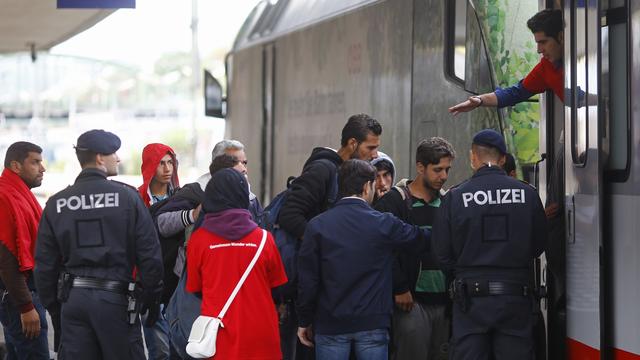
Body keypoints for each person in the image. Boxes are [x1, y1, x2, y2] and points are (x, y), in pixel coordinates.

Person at [34, 129, 164, 360]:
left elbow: (44, 266)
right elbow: (149, 254)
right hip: (116, 302)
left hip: (73, 302)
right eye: (114, 153)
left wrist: (56, 308)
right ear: (99, 158)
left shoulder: (56, 203)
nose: (118, 158)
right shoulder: (127, 198)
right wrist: (152, 297)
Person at [296, 159, 429, 360]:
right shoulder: (383, 223)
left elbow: (308, 281)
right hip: (372, 323)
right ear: (367, 186)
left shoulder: (317, 226)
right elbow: (421, 238)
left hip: (330, 324)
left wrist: (304, 320)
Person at [432, 129, 547, 359]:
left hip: (470, 303)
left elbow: (441, 254)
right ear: (503, 159)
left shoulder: (455, 197)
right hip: (515, 300)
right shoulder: (527, 194)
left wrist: (463, 274)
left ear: (473, 158)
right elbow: (538, 246)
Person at [278, 113, 382, 360]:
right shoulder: (323, 170)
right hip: (317, 286)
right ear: (353, 144)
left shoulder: (344, 171)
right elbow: (289, 215)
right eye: (371, 147)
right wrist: (323, 242)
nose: (376, 154)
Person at [186, 168, 287, 360]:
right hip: (262, 333)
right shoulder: (265, 239)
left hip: (219, 334)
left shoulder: (198, 240)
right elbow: (278, 288)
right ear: (242, 196)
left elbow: (195, 288)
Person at [374, 137, 455, 360]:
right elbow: (382, 249)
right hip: (410, 302)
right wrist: (399, 287)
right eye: (437, 170)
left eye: (447, 169)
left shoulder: (450, 202)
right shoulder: (395, 202)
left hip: (445, 302)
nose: (444, 176)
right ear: (420, 167)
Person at [449, 9, 563, 115]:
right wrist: (480, 100)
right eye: (537, 43)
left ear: (561, 37)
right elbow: (516, 92)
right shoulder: (547, 67)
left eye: (543, 42)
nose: (539, 50)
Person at [0, 141, 48, 359]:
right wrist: (26, 306)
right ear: (16, 166)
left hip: (21, 294)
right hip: (18, 295)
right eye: (35, 162)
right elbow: (6, 257)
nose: (42, 168)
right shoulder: (5, 197)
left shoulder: (19, 194)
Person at [137, 143, 180, 360]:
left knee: (179, 348)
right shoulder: (137, 200)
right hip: (149, 285)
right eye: (160, 163)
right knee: (160, 350)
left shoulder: (182, 198)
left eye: (170, 162)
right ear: (149, 166)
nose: (167, 169)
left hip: (177, 284)